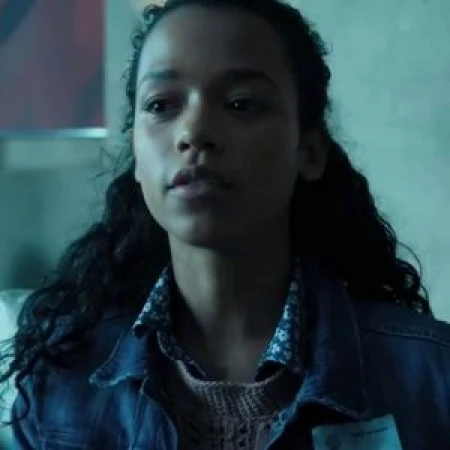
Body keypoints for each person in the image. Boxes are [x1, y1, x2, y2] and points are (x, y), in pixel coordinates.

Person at [1, 0, 449, 448]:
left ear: (309, 150)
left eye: (240, 104)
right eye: (160, 104)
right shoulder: (60, 382)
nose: (194, 131)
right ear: (135, 155)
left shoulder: (431, 378)